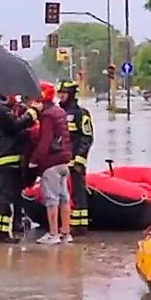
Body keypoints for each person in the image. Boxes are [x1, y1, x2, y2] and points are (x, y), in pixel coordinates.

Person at [0, 88, 39, 243]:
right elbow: (13, 127)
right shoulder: (0, 108)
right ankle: (0, 233)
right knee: (2, 197)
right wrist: (32, 114)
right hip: (3, 158)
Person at [30, 82, 73, 245]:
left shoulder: (47, 115)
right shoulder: (60, 111)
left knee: (52, 199)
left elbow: (45, 140)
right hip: (64, 161)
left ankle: (53, 233)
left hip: (51, 163)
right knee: (64, 198)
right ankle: (66, 233)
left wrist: (35, 160)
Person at [57, 80, 94, 235]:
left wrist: (79, 159)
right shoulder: (58, 112)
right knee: (62, 194)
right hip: (61, 161)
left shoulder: (81, 114)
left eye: (64, 93)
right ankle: (65, 223)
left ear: (71, 94)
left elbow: (87, 138)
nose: (61, 96)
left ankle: (80, 226)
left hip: (76, 162)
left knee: (78, 193)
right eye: (60, 93)